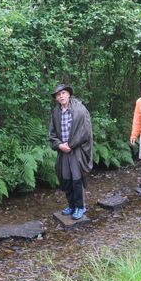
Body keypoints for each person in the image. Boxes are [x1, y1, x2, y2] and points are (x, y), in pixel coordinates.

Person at [48, 84, 93, 220]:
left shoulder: (80, 109)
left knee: (77, 179)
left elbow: (85, 131)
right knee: (65, 178)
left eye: (63, 93)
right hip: (63, 151)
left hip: (77, 150)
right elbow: (52, 134)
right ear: (56, 98)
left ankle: (80, 207)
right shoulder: (56, 112)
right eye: (58, 94)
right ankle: (71, 205)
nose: (61, 96)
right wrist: (60, 145)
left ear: (68, 94)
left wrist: (71, 145)